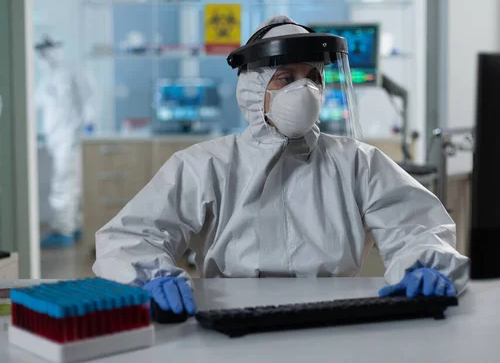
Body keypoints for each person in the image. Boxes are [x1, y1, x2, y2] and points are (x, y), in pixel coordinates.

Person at [93, 16, 469, 316]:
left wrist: (425, 265)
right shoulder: (205, 165)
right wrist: (151, 277)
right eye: (286, 78)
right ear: (255, 90)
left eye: (313, 78)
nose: (304, 91)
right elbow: (130, 238)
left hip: (336, 317)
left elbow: (416, 227)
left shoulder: (357, 162)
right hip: (230, 315)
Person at [35, 37, 96, 247]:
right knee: (67, 183)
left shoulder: (71, 70)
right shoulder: (46, 76)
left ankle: (64, 229)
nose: (42, 55)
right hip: (55, 138)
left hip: (69, 137)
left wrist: (86, 127)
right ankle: (72, 225)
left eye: (45, 50)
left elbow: (89, 99)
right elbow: (39, 105)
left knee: (64, 183)